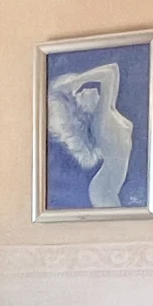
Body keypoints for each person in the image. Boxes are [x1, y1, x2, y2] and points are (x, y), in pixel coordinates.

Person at [47, 62, 136, 208]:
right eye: (80, 93)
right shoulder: (100, 122)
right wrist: (76, 82)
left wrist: (77, 82)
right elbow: (108, 75)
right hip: (103, 189)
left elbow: (113, 69)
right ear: (82, 108)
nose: (88, 89)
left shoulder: (109, 112)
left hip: (107, 188)